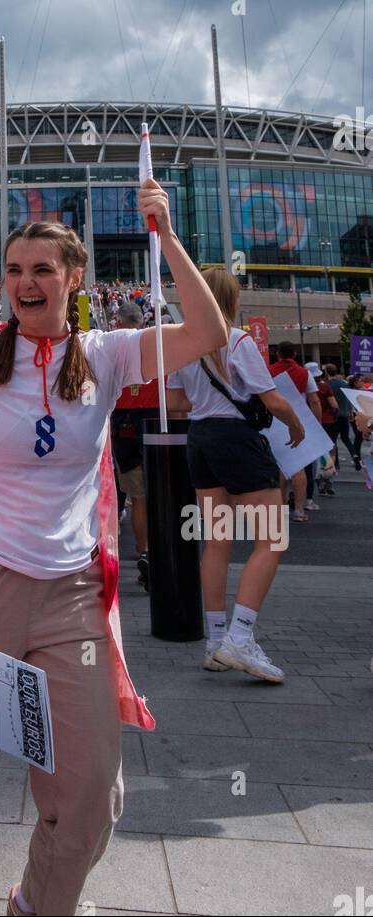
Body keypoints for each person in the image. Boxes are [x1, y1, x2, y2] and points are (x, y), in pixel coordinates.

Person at [0, 184, 228, 917]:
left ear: (73, 279)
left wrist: (164, 235)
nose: (26, 282)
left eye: (43, 268)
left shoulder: (104, 354)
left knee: (91, 796)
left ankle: (35, 908)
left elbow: (207, 331)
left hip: (71, 605)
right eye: (14, 269)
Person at [167, 272, 305, 683]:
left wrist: (205, 396)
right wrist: (297, 426)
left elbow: (175, 401)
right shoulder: (237, 340)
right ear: (230, 298)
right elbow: (273, 399)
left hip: (200, 438)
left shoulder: (184, 343)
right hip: (236, 440)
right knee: (271, 538)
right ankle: (240, 638)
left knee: (216, 540)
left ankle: (216, 642)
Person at [110, 301, 159, 591]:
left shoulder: (110, 348)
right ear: (141, 322)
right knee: (160, 495)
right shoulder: (155, 345)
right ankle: (157, 552)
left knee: (138, 496)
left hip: (122, 424)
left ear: (117, 322)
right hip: (155, 421)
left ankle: (145, 552)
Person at [268, 342, 322, 521]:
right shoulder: (304, 373)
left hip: (275, 422)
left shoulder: (268, 371)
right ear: (295, 354)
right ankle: (299, 509)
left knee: (282, 468)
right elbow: (314, 401)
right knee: (298, 467)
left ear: (278, 354)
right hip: (299, 422)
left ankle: (281, 508)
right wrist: (317, 424)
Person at [322, 363, 357, 470]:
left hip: (333, 416)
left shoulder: (326, 385)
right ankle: (355, 456)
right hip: (344, 414)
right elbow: (348, 399)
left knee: (332, 440)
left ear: (327, 372)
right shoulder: (344, 384)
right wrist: (350, 412)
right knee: (346, 438)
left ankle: (335, 463)